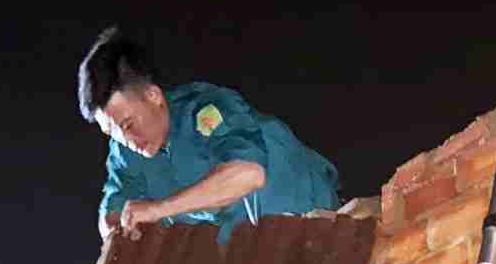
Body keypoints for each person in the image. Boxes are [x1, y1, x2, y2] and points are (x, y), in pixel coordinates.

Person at [79, 28, 340, 245]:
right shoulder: (125, 151)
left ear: (153, 96)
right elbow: (113, 210)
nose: (127, 139)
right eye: (112, 132)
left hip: (311, 219)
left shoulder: (206, 110)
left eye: (127, 123)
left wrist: (158, 210)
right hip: (245, 249)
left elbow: (248, 174)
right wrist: (116, 225)